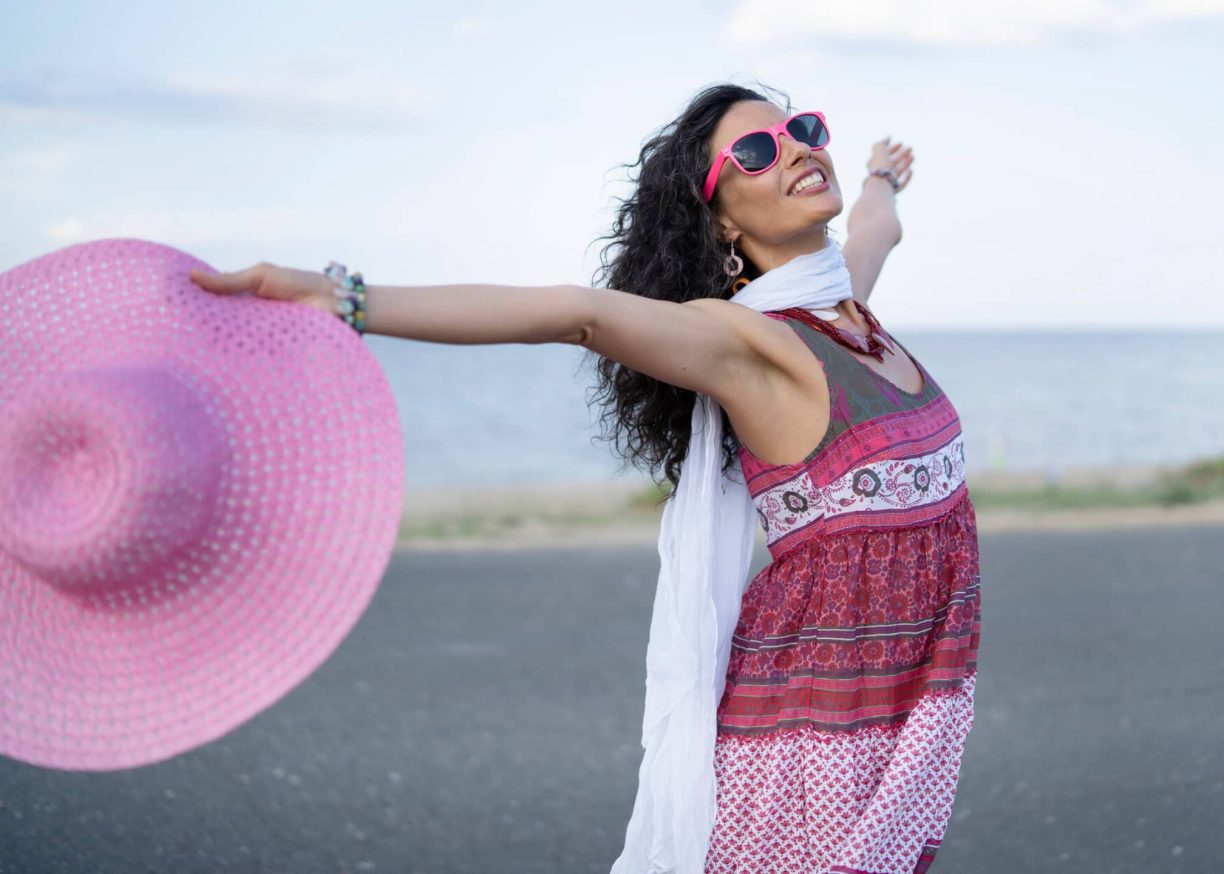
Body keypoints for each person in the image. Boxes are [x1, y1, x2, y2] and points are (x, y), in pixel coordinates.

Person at [191, 81, 981, 874]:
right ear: (723, 223)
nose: (799, 149)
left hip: (902, 713)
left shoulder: (849, 317)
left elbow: (876, 229)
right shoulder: (751, 347)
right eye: (755, 151)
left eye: (802, 129)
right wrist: (345, 300)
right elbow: (579, 314)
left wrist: (882, 175)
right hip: (812, 742)